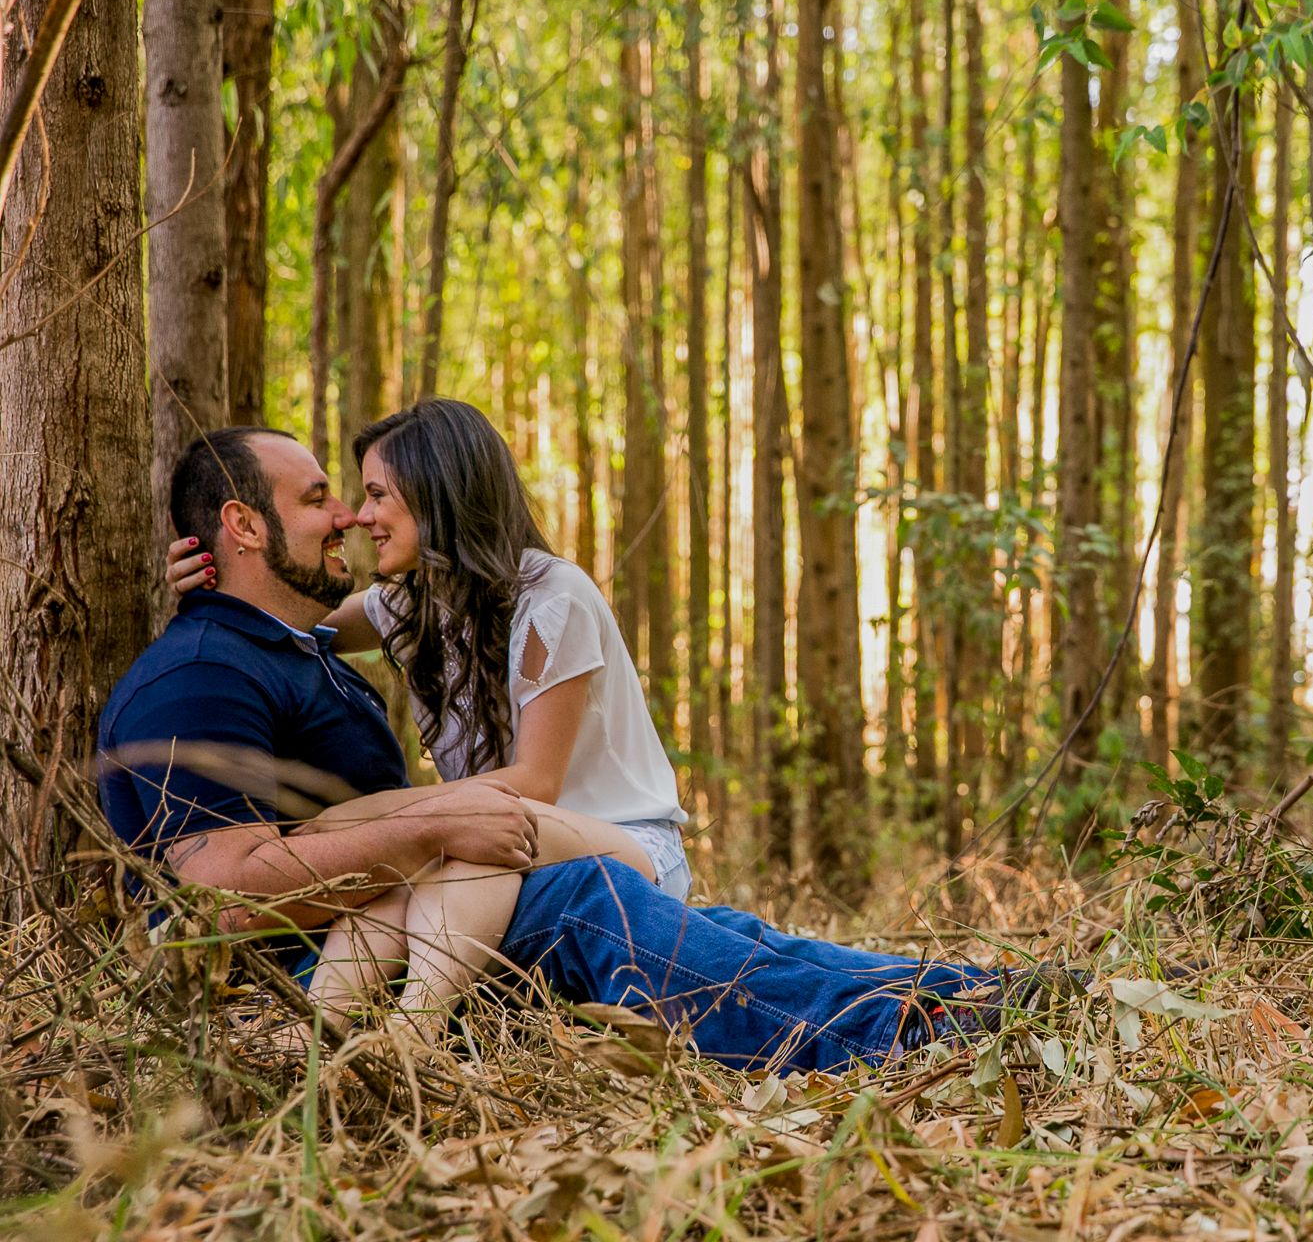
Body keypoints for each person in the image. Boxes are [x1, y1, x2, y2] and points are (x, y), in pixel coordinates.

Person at [109, 425, 1016, 1072]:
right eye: (318, 499)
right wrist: (428, 831)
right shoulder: (205, 669)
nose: (347, 514)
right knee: (590, 900)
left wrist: (425, 827)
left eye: (364, 495)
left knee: (723, 935)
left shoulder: (300, 641)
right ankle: (906, 1032)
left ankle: (972, 996)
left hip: (469, 886)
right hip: (333, 963)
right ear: (243, 525)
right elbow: (215, 896)